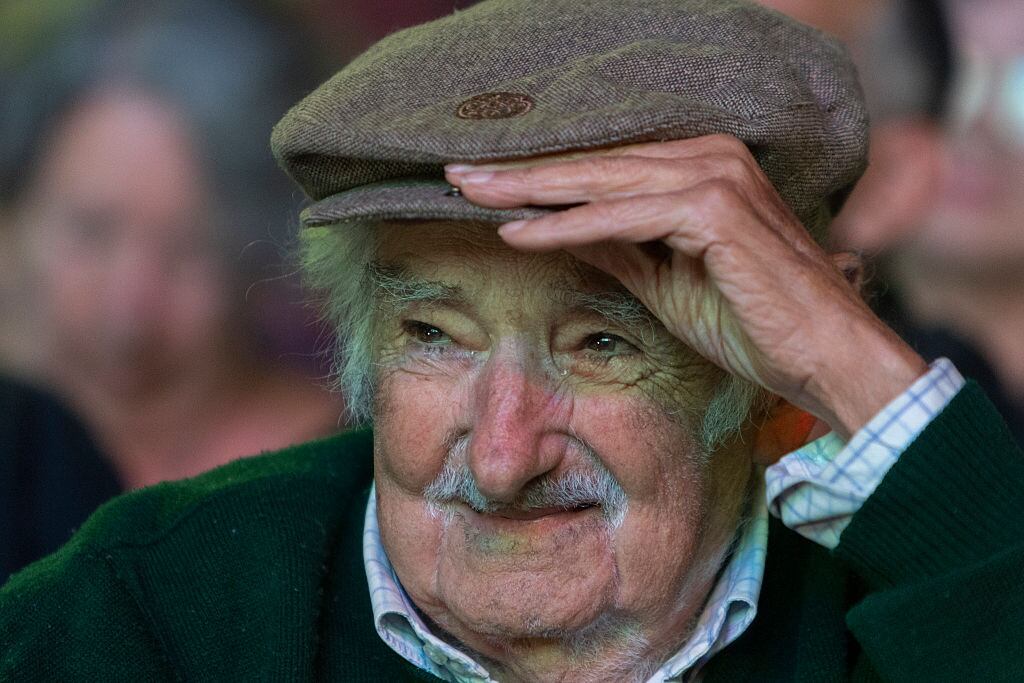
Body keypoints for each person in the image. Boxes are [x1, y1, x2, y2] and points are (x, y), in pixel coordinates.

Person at [2, 0, 1022, 680]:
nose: (501, 455)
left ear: (762, 383)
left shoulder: (903, 614)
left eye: (601, 345)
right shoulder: (160, 607)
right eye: (433, 334)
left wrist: (851, 363)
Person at [0, 0, 343, 488]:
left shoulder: (334, 470)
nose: (128, 312)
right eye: (91, 231)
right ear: (17, 217)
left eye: (191, 249)